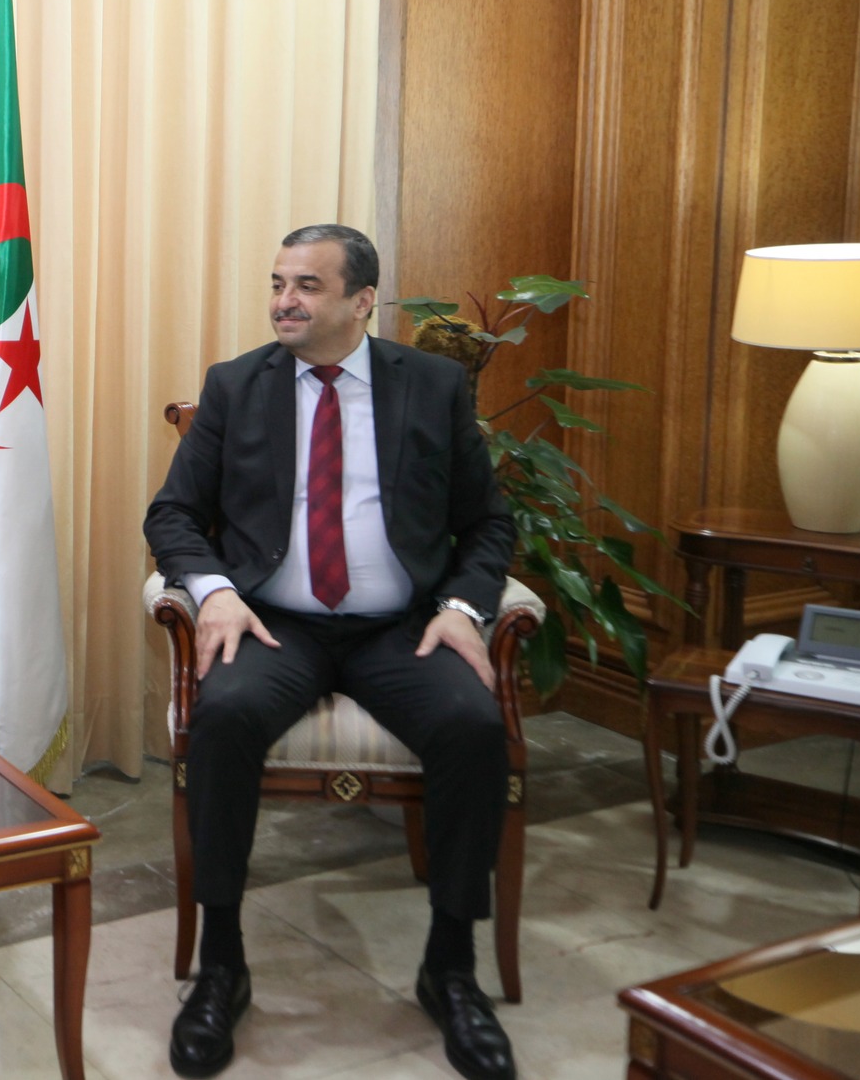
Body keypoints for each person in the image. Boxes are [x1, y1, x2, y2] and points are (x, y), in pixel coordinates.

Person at [143, 225, 519, 1080]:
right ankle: (222, 964)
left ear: (362, 300)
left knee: (472, 724)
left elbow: (488, 522)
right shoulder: (236, 385)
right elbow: (172, 514)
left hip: (401, 626)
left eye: (307, 285)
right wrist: (217, 592)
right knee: (224, 717)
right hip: (277, 623)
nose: (285, 300)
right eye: (278, 282)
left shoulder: (432, 385)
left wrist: (463, 607)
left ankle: (451, 967)